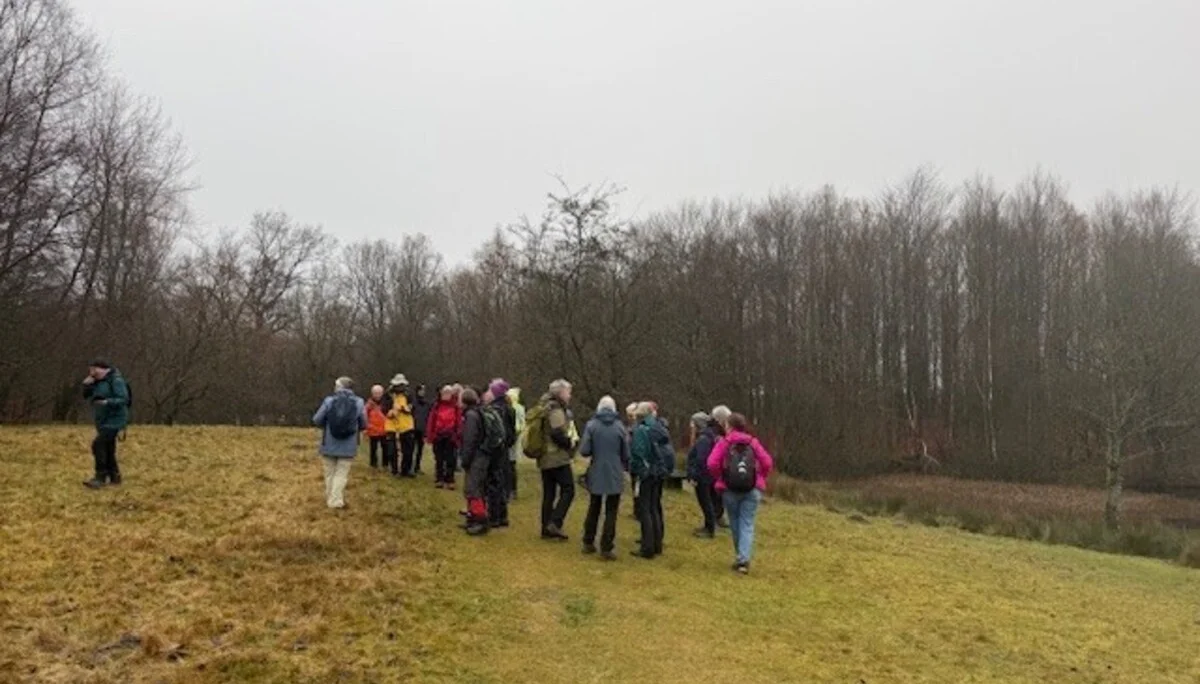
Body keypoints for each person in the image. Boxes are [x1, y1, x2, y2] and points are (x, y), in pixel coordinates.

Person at [707, 413, 774, 574]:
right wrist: (759, 477)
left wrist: (721, 477)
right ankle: (743, 558)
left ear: (729, 426)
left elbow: (711, 463)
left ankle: (741, 557)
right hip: (752, 489)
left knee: (735, 522)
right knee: (747, 523)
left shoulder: (724, 442)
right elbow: (767, 462)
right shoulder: (753, 442)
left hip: (729, 488)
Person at [579, 396, 629, 560]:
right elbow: (626, 453)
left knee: (594, 506)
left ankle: (588, 541)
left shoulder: (592, 425)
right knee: (611, 510)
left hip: (596, 470)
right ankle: (607, 547)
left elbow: (584, 450)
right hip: (615, 471)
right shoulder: (620, 427)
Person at [312, 377, 367, 510]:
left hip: (329, 443)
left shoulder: (329, 401)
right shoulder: (359, 402)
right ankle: (335, 501)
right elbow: (364, 423)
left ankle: (330, 498)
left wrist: (327, 425)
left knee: (329, 472)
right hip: (348, 445)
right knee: (341, 474)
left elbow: (317, 419)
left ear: (339, 387)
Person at [534, 379, 578, 541]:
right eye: (568, 392)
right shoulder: (556, 409)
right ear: (560, 393)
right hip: (556, 457)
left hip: (545, 457)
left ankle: (546, 528)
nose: (570, 395)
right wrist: (569, 443)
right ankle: (555, 522)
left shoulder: (544, 406)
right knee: (569, 489)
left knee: (549, 493)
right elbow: (557, 433)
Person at [630, 402, 671, 558]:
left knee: (645, 508)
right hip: (658, 471)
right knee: (654, 507)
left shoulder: (641, 429)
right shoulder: (658, 427)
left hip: (647, 472)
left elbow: (638, 452)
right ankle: (657, 544)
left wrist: (637, 470)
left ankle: (647, 547)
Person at [81, 359, 130, 488]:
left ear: (103, 369)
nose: (92, 373)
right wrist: (87, 385)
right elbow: (87, 396)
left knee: (98, 444)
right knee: (108, 448)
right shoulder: (96, 382)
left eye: (94, 369)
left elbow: (123, 399)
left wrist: (107, 402)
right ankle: (115, 476)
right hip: (102, 419)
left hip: (115, 419)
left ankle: (100, 477)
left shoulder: (116, 380)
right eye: (90, 370)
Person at [484, 379, 517, 528]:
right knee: (501, 481)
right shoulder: (509, 408)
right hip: (504, 449)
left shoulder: (495, 409)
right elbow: (511, 434)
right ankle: (502, 515)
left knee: (493, 482)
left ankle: (494, 516)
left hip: (496, 449)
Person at [458, 388, 490, 535]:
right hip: (480, 456)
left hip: (476, 457)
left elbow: (469, 440)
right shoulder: (476, 412)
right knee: (472, 488)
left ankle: (480, 521)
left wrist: (465, 459)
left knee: (474, 489)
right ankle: (472, 518)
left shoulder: (471, 416)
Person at [687, 411, 722, 538]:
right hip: (708, 475)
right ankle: (709, 525)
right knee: (708, 501)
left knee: (705, 502)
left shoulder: (703, 439)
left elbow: (700, 459)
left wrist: (694, 475)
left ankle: (710, 528)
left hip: (703, 476)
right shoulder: (709, 436)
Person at [426, 386, 462, 490]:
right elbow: (431, 421)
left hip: (450, 437)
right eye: (444, 393)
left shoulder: (455, 407)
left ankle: (450, 479)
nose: (446, 395)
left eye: (448, 393)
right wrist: (430, 435)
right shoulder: (436, 406)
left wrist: (457, 435)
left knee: (451, 459)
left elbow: (459, 422)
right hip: (438, 436)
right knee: (439, 459)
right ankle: (439, 479)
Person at [387, 374, 418, 477]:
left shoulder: (409, 395)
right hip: (392, 426)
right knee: (392, 450)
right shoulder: (389, 395)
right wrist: (391, 412)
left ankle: (406, 470)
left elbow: (412, 408)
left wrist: (403, 408)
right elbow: (384, 408)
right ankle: (395, 470)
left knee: (408, 450)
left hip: (407, 425)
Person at [506, 387, 526, 500]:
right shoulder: (519, 408)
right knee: (510, 466)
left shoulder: (516, 408)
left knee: (510, 466)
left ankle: (511, 490)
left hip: (512, 439)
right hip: (512, 438)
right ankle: (511, 490)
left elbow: (521, 424)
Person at [365, 385, 388, 470]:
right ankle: (373, 464)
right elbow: (365, 416)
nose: (377, 395)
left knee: (385, 448)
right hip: (373, 430)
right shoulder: (369, 405)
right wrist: (366, 427)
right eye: (375, 393)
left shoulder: (386, 404)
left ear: (382, 393)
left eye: (379, 393)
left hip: (384, 429)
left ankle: (385, 464)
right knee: (373, 448)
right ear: (372, 393)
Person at [412, 384, 432, 475]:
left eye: (423, 390)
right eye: (421, 390)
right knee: (412, 449)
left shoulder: (427, 404)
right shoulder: (413, 403)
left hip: (422, 429)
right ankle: (411, 467)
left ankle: (417, 467)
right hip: (413, 429)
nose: (422, 392)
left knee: (420, 450)